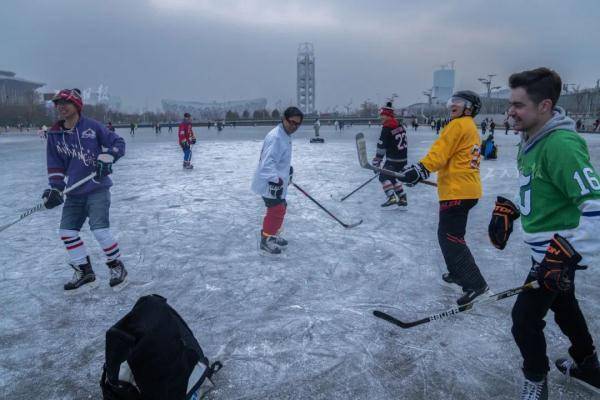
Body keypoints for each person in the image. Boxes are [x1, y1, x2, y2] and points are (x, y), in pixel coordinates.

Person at [489, 67, 600, 399]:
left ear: (545, 106)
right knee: (565, 307)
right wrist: (514, 210)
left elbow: (595, 211)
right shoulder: (532, 139)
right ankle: (589, 365)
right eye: (511, 103)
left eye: (519, 105)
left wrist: (562, 255)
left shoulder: (561, 145)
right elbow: (543, 190)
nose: (510, 111)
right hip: (547, 252)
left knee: (524, 320)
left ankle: (536, 381)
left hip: (557, 254)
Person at [398, 90, 489, 306]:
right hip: (464, 189)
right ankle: (456, 273)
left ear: (469, 107)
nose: (452, 105)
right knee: (447, 235)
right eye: (452, 101)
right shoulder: (470, 127)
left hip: (458, 191)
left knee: (451, 238)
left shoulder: (458, 125)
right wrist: (420, 171)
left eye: (458, 102)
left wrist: (421, 169)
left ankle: (475, 283)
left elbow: (440, 153)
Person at [43, 89, 127, 293]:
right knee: (67, 232)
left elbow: (118, 143)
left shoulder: (92, 127)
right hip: (74, 192)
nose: (61, 107)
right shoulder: (54, 134)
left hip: (97, 188)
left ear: (77, 105)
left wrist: (108, 158)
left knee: (99, 230)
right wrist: (55, 188)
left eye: (66, 103)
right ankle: (85, 270)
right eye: (58, 103)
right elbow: (55, 165)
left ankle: (117, 267)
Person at [251, 107, 303, 255]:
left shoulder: (284, 135)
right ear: (284, 119)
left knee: (281, 207)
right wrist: (277, 180)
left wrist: (288, 171)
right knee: (276, 210)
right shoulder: (276, 137)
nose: (294, 126)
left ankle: (272, 234)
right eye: (291, 122)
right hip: (270, 183)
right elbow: (266, 164)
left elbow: (279, 160)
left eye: (297, 124)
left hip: (277, 182)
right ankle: (266, 240)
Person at [372, 102, 408, 208]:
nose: (381, 117)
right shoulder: (399, 125)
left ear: (388, 116)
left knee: (383, 177)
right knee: (392, 179)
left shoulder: (387, 128)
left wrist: (377, 161)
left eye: (382, 115)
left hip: (393, 160)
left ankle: (391, 197)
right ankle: (402, 198)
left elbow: (381, 147)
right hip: (402, 159)